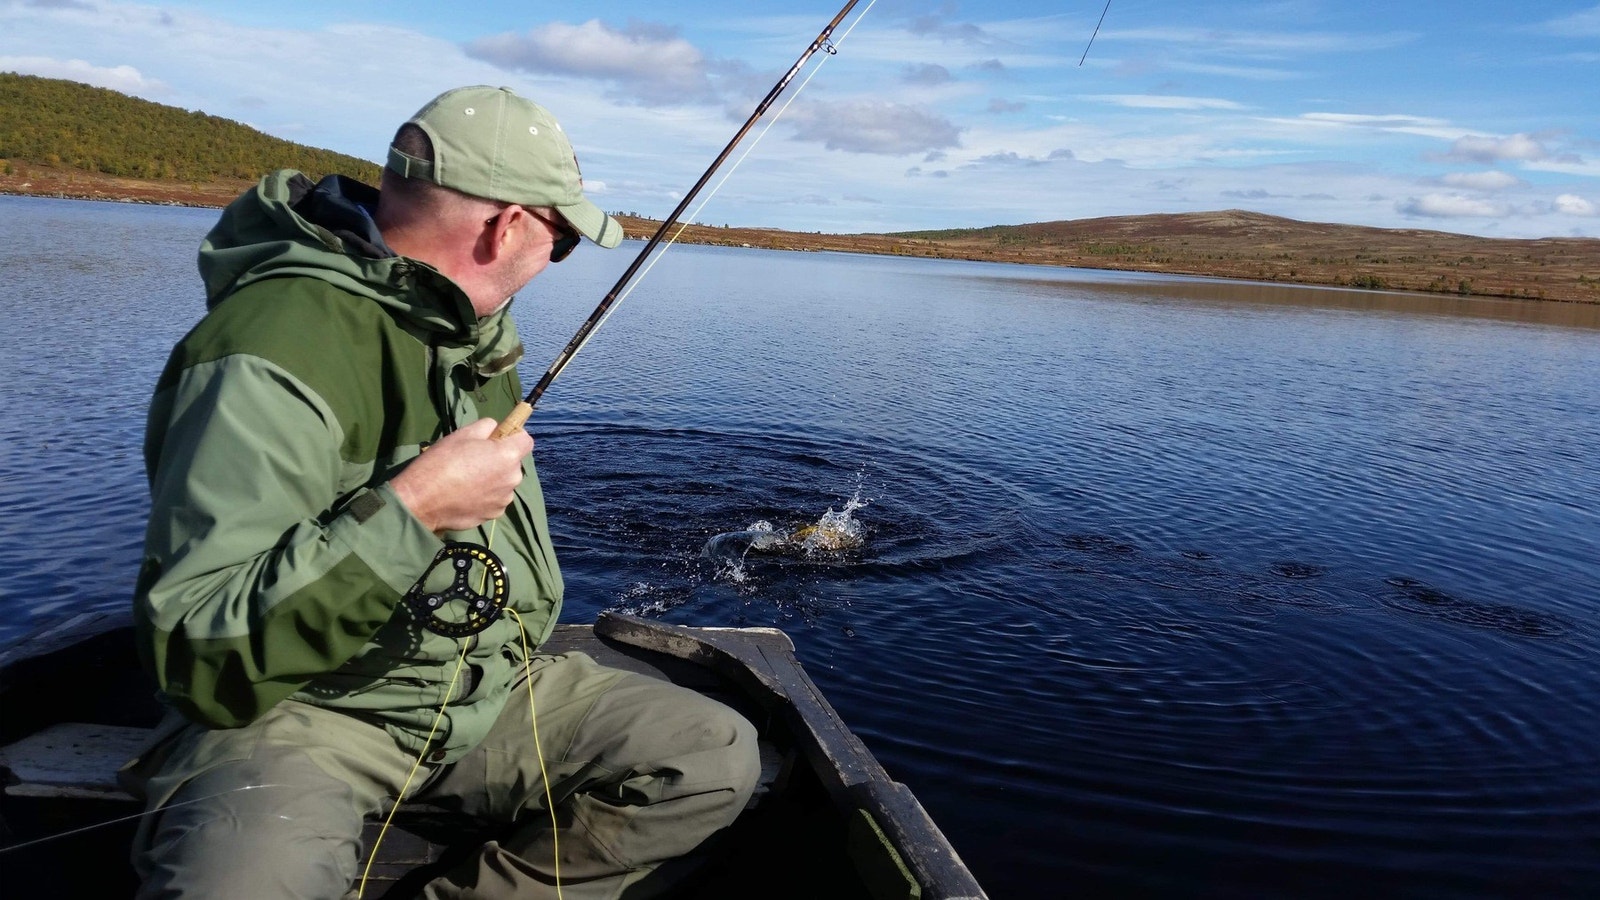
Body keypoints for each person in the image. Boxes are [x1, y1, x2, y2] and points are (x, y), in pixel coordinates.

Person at [121, 85, 761, 899]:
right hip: (304, 715)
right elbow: (199, 656)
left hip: (484, 691)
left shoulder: (469, 333)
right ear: (508, 228)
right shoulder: (268, 354)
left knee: (711, 758)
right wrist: (413, 511)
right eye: (560, 240)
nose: (551, 262)